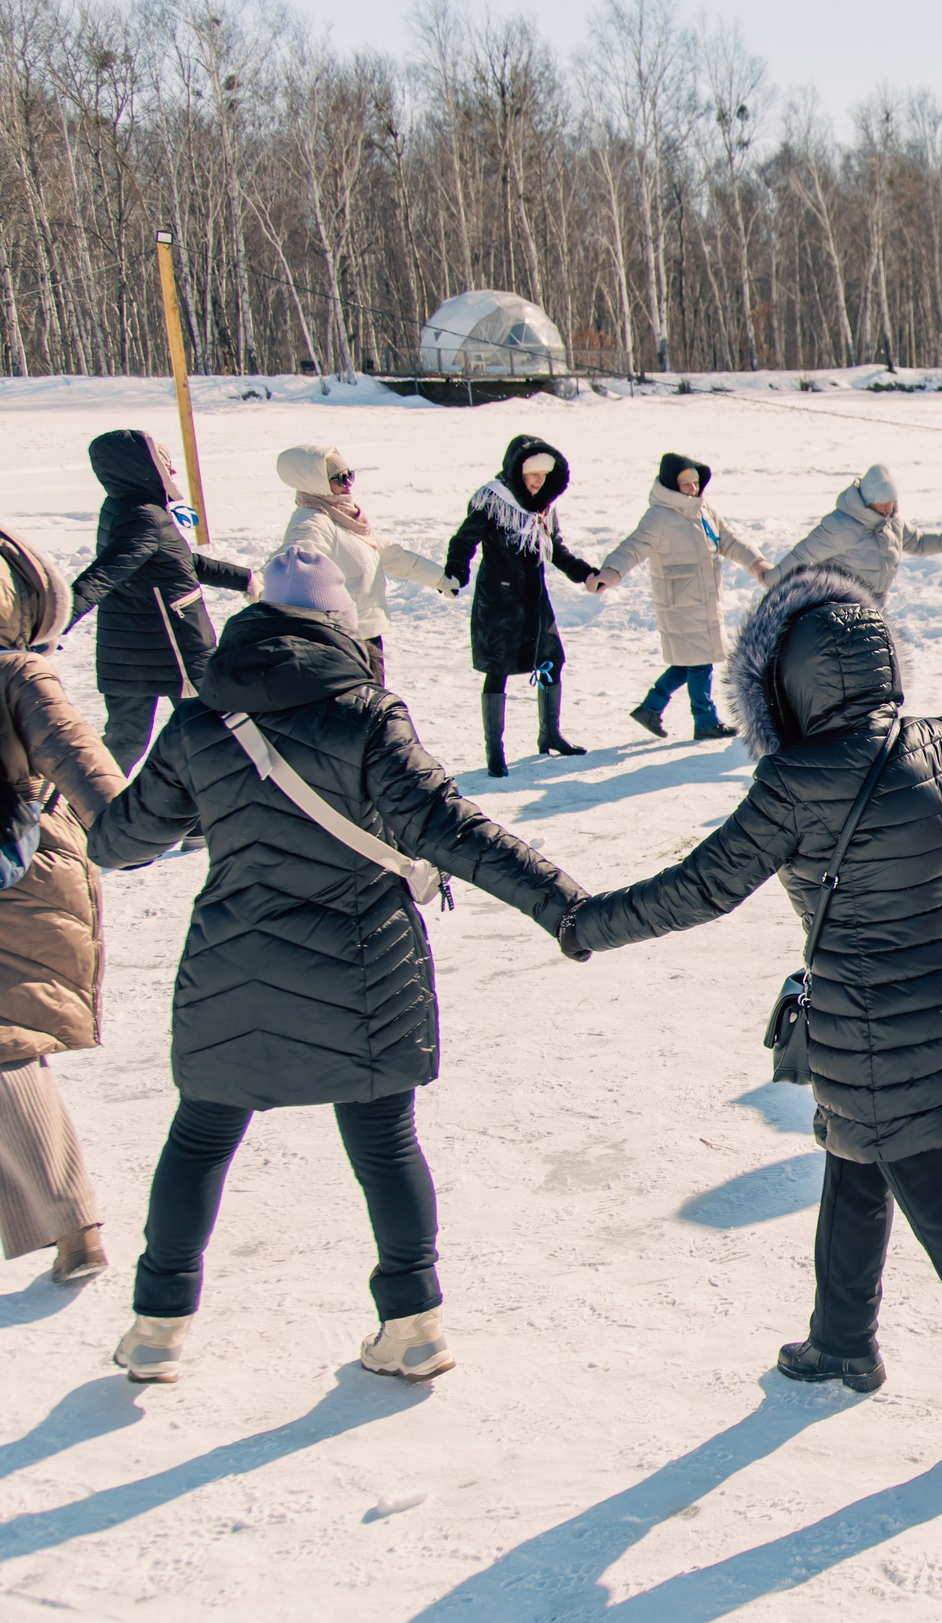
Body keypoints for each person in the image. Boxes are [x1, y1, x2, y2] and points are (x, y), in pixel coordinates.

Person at [558, 566, 942, 1432]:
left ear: (787, 684)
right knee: (855, 1158)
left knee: (935, 1192)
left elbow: (698, 889)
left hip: (873, 1027)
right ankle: (841, 1338)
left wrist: (590, 924)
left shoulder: (794, 781)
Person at [87, 546, 583, 1383]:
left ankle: (157, 1326)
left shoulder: (201, 721)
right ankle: (414, 1324)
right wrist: (564, 904)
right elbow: (451, 830)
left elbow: (119, 841)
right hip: (365, 966)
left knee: (200, 1139)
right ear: (336, 623)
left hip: (232, 963)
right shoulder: (366, 715)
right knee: (386, 1146)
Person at [0, 528, 125, 1284]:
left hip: (19, 877)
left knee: (9, 1044)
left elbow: (90, 773)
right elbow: (94, 777)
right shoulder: (22, 671)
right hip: (31, 871)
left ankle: (74, 1224)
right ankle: (68, 1222)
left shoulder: (17, 677)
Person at [67, 429, 255, 773]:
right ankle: (205, 816)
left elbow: (179, 563)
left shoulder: (125, 508)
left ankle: (87, 808)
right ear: (142, 468)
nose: (172, 473)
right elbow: (104, 574)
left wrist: (243, 578)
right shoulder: (145, 517)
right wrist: (54, 620)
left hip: (129, 649)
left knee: (127, 739)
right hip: (172, 649)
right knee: (214, 732)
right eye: (163, 464)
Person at [443, 434, 596, 777]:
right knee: (497, 671)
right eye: (532, 473)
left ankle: (549, 733)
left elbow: (556, 550)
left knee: (551, 662)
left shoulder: (543, 508)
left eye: (544, 473)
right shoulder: (493, 501)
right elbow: (463, 541)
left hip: (533, 600)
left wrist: (585, 574)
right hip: (498, 600)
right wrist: (455, 572)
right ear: (516, 470)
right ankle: (494, 751)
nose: (539, 480)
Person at [595, 453, 772, 741]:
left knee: (690, 661)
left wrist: (756, 563)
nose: (692, 488)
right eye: (685, 484)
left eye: (695, 483)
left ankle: (651, 707)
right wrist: (611, 571)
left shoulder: (704, 511)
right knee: (700, 662)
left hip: (704, 599)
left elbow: (728, 540)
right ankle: (705, 720)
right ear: (671, 485)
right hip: (679, 602)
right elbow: (634, 546)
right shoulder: (659, 517)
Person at [274, 443, 459, 685]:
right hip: (342, 641)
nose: (348, 483)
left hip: (367, 635)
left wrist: (439, 578)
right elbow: (294, 557)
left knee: (372, 712)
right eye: (338, 478)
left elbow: (393, 556)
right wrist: (259, 582)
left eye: (349, 475)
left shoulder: (345, 516)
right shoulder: (313, 521)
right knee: (361, 713)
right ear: (315, 483)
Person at [768, 463, 942, 607]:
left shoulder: (893, 523)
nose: (890, 507)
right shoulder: (841, 526)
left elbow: (918, 543)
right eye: (884, 502)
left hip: (876, 604)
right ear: (869, 501)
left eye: (892, 502)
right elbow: (803, 555)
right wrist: (772, 579)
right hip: (842, 604)